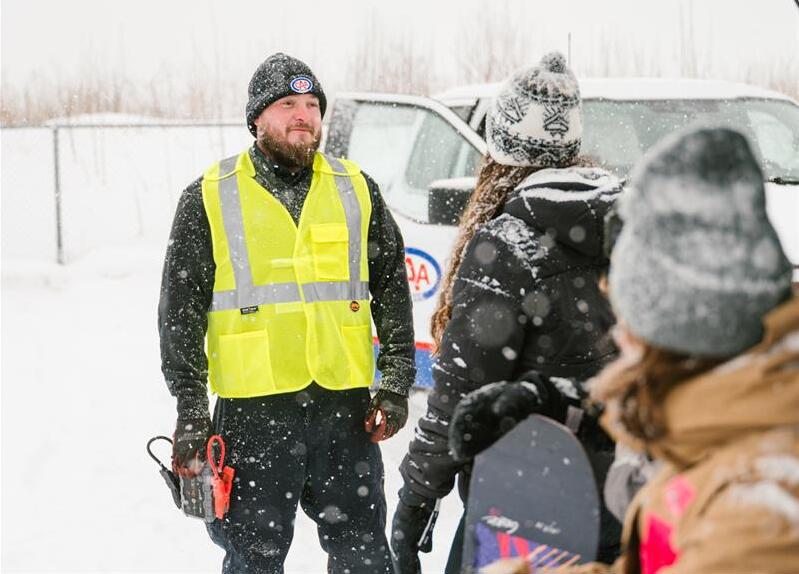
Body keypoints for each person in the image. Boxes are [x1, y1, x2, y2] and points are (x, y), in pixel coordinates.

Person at [486, 126, 799, 574]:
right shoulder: (718, 435)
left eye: (632, 324)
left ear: (681, 336)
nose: (618, 337)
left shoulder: (760, 508)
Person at [158, 52, 416, 574]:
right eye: (287, 105)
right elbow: (179, 314)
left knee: (364, 555)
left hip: (344, 413)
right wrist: (191, 410)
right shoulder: (209, 196)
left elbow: (392, 289)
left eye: (312, 105)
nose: (303, 116)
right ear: (256, 118)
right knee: (253, 560)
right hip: (254, 417)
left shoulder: (356, 188)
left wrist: (394, 383)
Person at [390, 52, 623, 574]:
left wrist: (416, 500)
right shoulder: (630, 226)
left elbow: (460, 392)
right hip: (627, 494)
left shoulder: (509, 246)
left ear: (500, 147)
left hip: (528, 505)